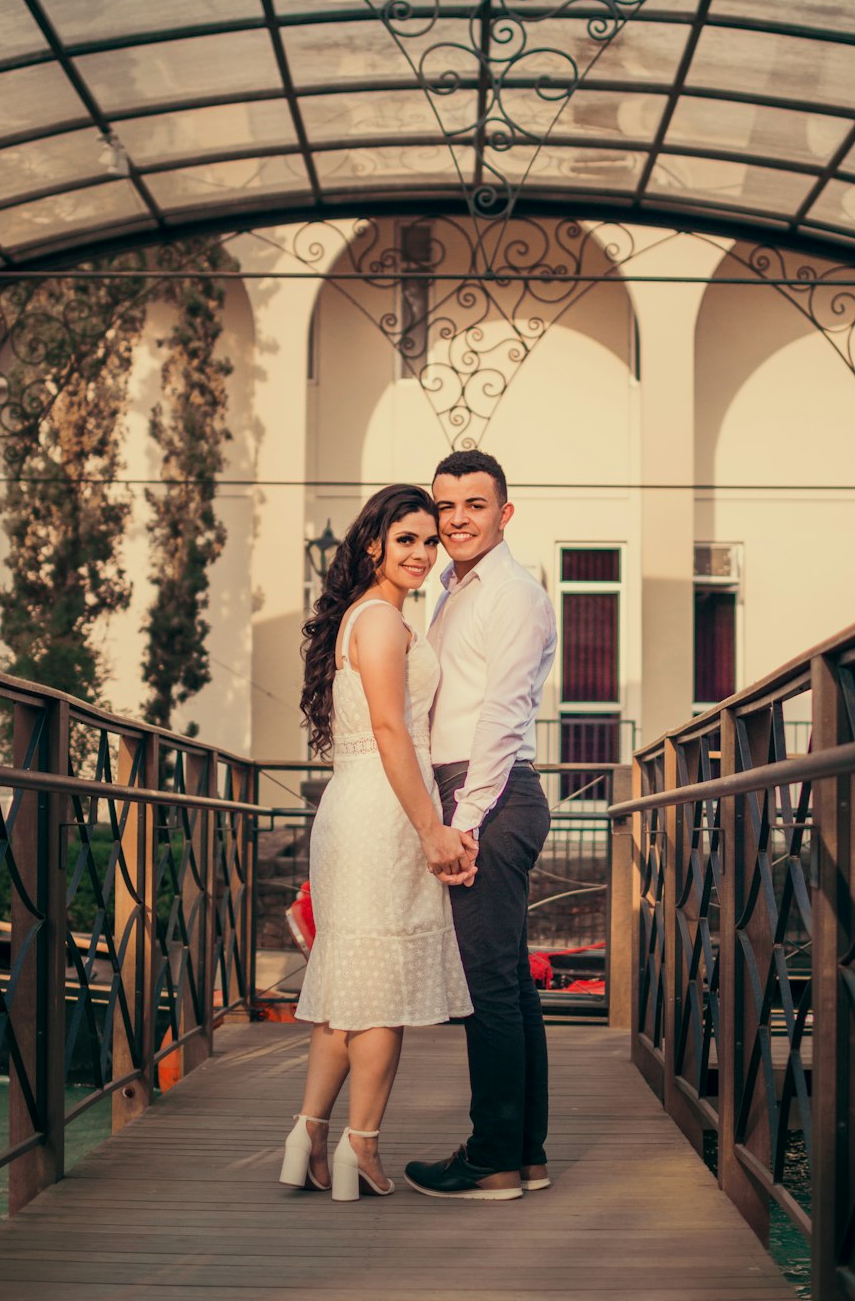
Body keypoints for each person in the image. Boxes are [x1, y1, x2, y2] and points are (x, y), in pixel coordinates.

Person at [279, 484, 475, 1202]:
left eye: (430, 541)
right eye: (407, 541)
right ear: (373, 546)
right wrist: (432, 828)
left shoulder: (365, 617)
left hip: (355, 804)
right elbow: (393, 729)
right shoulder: (383, 623)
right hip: (383, 811)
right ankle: (359, 1147)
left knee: (347, 985)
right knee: (380, 990)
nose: (423, 554)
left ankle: (307, 1133)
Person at [404, 450, 557, 1201]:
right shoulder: (450, 591)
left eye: (474, 504)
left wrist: (461, 823)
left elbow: (501, 715)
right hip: (471, 792)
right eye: (446, 506)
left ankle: (493, 1154)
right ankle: (522, 1153)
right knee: (508, 984)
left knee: (489, 984)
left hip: (488, 795)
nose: (458, 518)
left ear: (505, 512)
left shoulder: (515, 594)